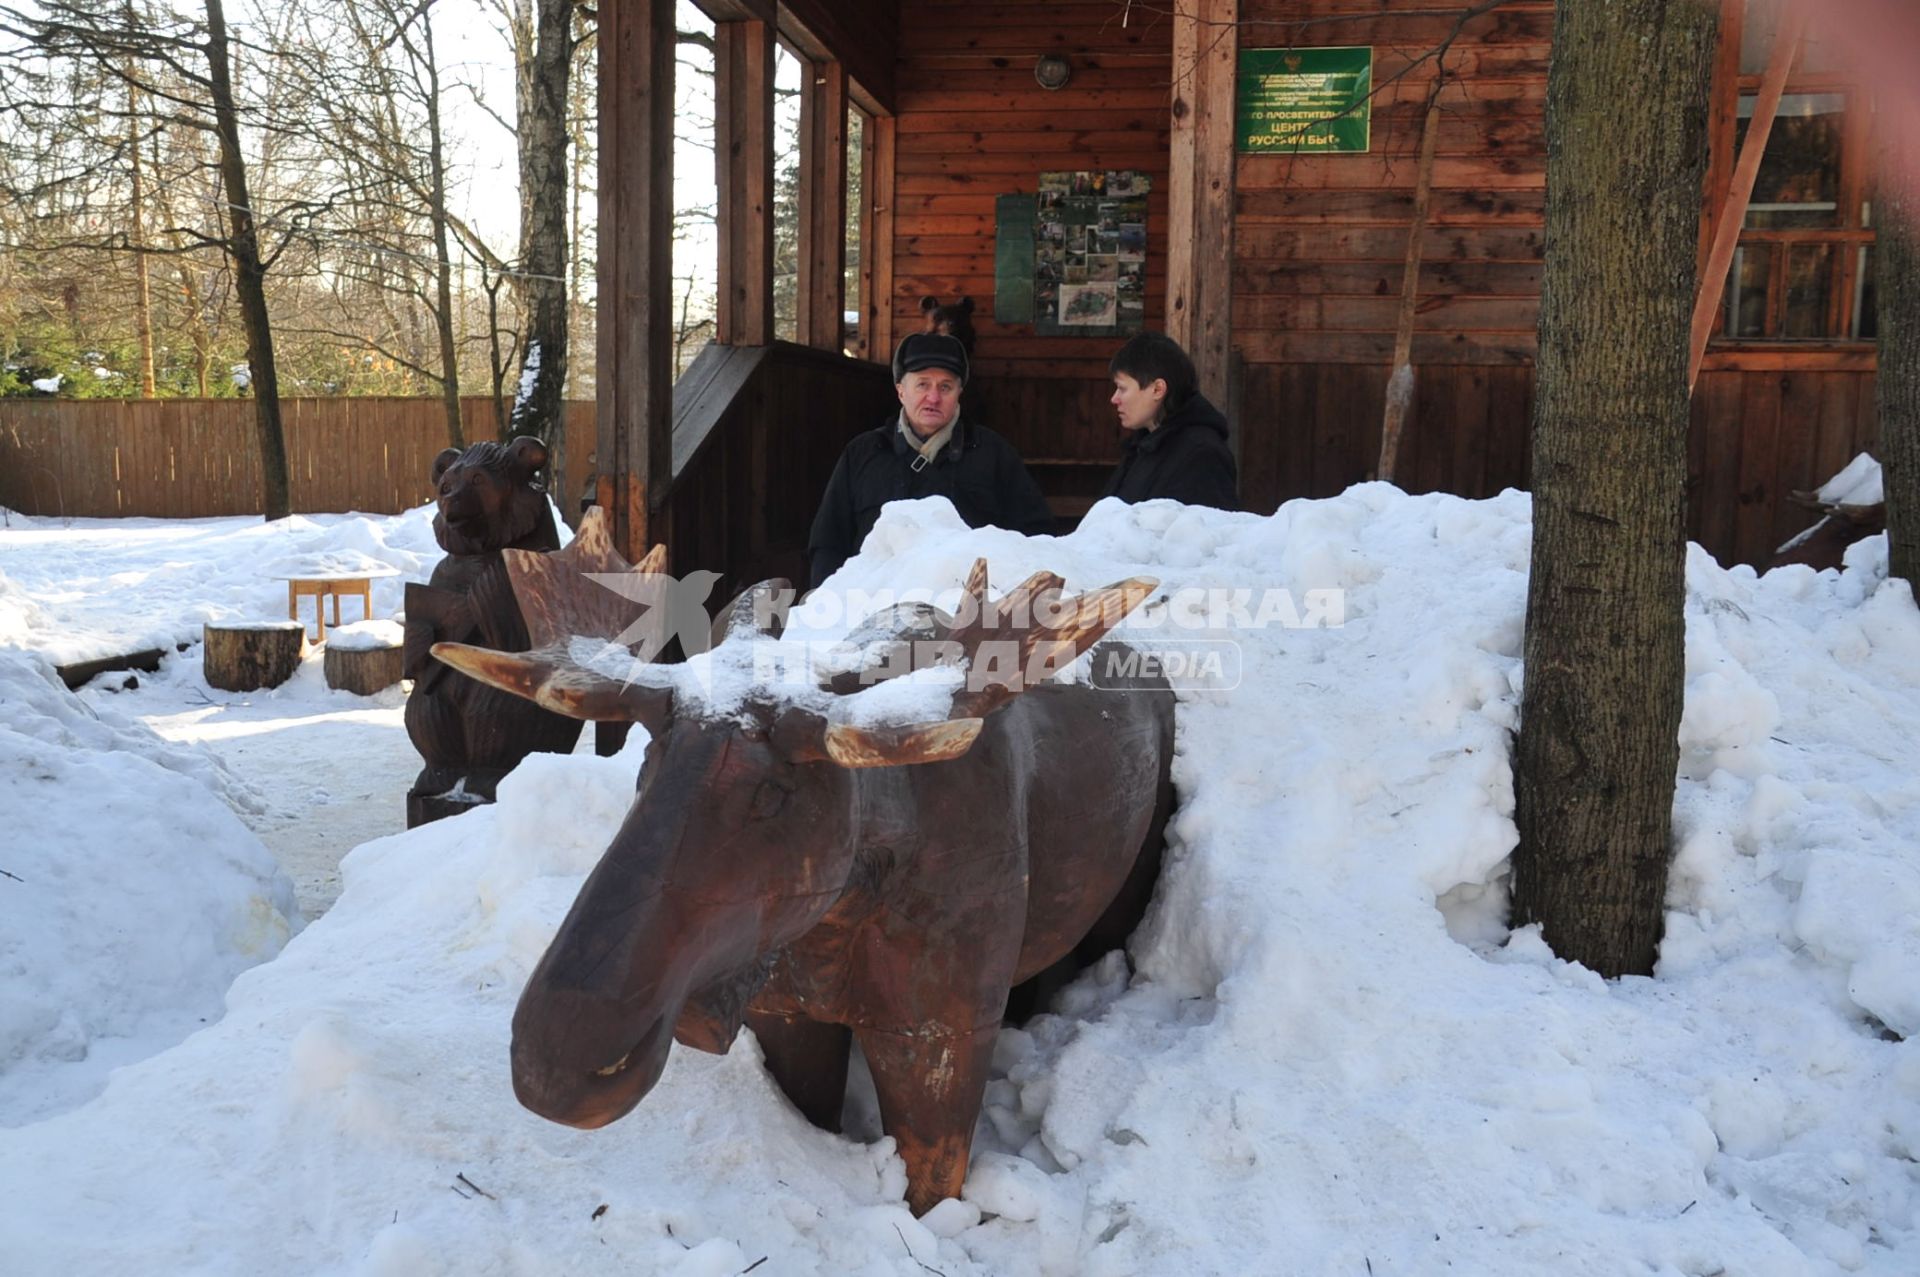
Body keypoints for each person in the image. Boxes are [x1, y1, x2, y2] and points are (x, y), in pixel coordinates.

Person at [807, 332, 1054, 588]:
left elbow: (1036, 539)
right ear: (901, 391)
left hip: (967, 616)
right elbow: (828, 544)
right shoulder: (862, 454)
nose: (933, 398)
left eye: (945, 387)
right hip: (872, 610)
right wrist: (828, 607)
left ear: (959, 392)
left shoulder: (994, 454)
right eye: (923, 384)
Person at [1097, 331, 1238, 510]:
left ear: (1157, 389)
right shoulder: (1143, 446)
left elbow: (1206, 533)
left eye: (1122, 388)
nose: (1114, 399)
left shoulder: (1202, 456)